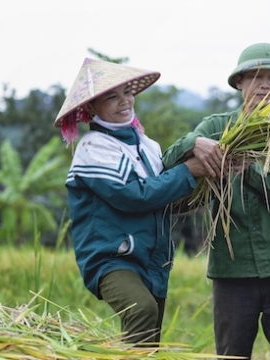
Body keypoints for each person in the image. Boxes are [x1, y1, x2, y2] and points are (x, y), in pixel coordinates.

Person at [162, 43, 270, 360]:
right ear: (239, 82)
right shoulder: (217, 128)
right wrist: (194, 143)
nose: (266, 84)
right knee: (232, 355)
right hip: (232, 269)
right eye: (257, 76)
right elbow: (167, 165)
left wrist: (249, 168)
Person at [53, 58, 212, 345]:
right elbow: (132, 196)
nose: (124, 101)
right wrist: (187, 171)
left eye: (127, 92)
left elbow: (166, 199)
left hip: (154, 259)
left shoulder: (148, 146)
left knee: (149, 340)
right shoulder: (93, 149)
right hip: (113, 258)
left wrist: (210, 180)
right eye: (111, 96)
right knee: (141, 310)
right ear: (91, 108)